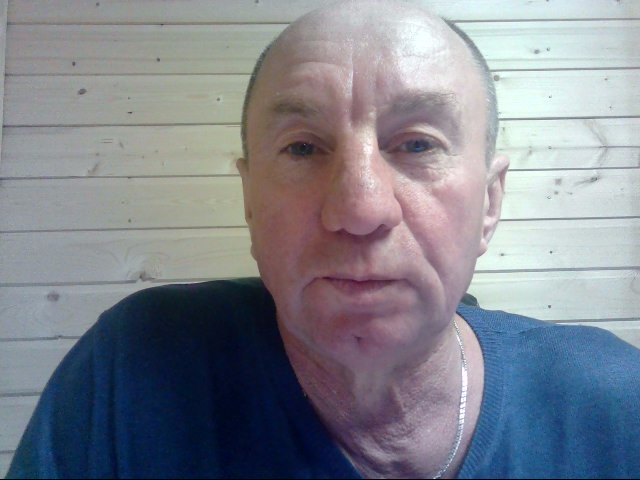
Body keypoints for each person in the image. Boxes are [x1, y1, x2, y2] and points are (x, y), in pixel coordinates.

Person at [7, 1, 640, 478]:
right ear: (250, 201)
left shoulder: (615, 405)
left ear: (490, 204)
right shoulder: (132, 374)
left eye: (417, 144)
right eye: (303, 148)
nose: (359, 210)